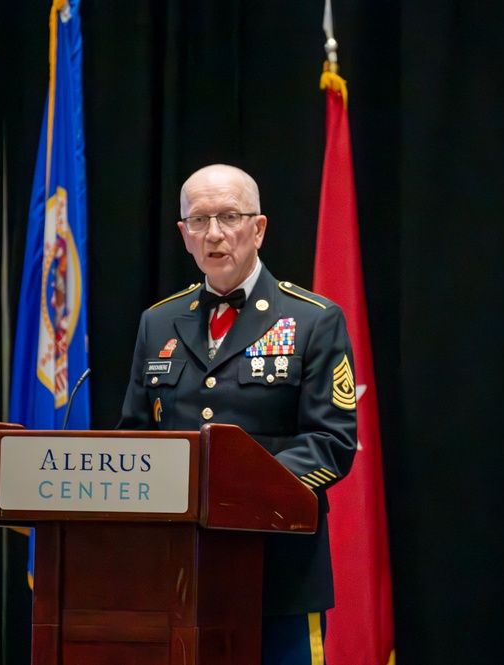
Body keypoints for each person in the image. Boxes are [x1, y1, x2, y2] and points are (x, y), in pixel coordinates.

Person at [117, 163, 358, 664]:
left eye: (229, 217)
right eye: (199, 221)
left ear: (259, 228)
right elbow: (135, 437)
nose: (215, 234)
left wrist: (232, 488)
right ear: (183, 236)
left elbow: (331, 442)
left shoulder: (313, 320)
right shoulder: (157, 321)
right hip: (178, 573)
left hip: (278, 571)